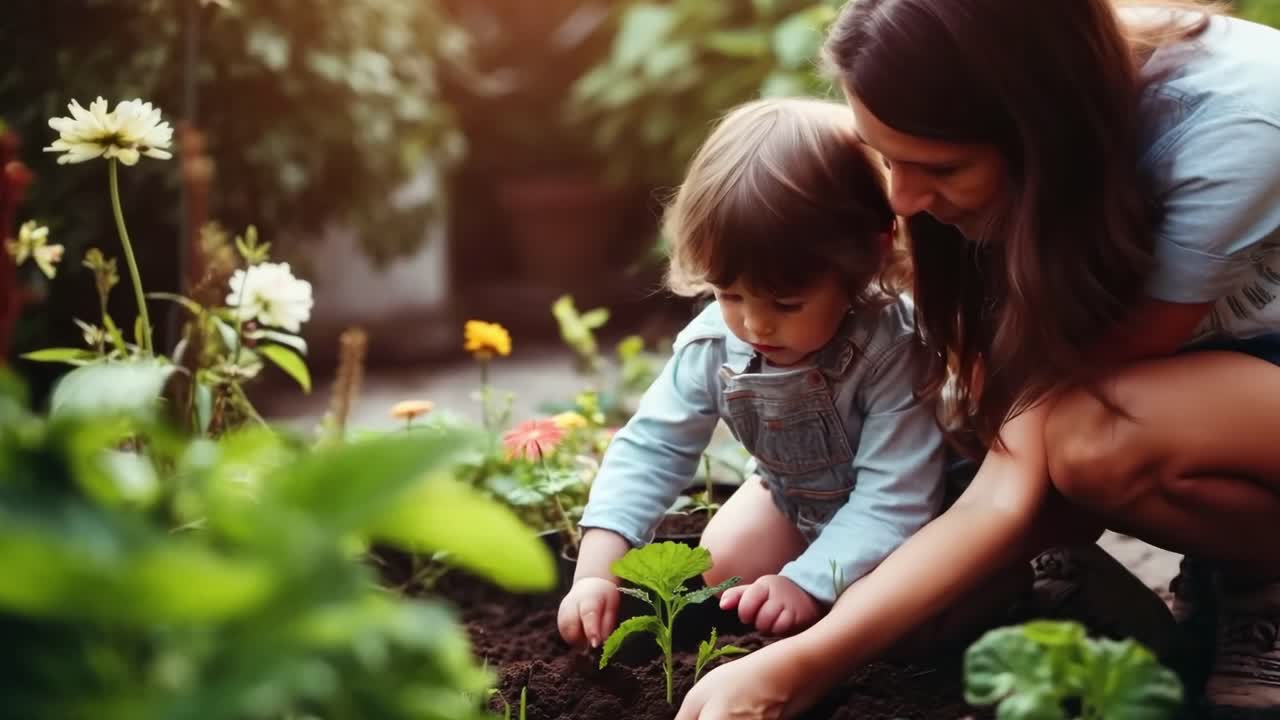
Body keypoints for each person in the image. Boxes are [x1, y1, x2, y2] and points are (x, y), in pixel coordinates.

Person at [676, 2, 1280, 719]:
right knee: (876, 593)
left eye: (939, 166)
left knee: (1094, 441)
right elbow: (1001, 423)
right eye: (884, 155)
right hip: (1226, 383)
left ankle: (1259, 579)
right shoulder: (1018, 134)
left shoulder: (1233, 130)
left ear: (1038, 127)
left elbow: (1027, 453)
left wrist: (801, 667)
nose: (901, 199)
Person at [557, 97, 949, 648]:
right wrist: (596, 570)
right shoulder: (715, 342)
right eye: (730, 293)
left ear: (867, 257)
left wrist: (807, 584)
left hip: (914, 525)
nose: (755, 324)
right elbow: (651, 448)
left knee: (927, 620)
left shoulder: (895, 351)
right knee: (721, 572)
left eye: (787, 303)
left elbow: (895, 499)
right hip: (793, 499)